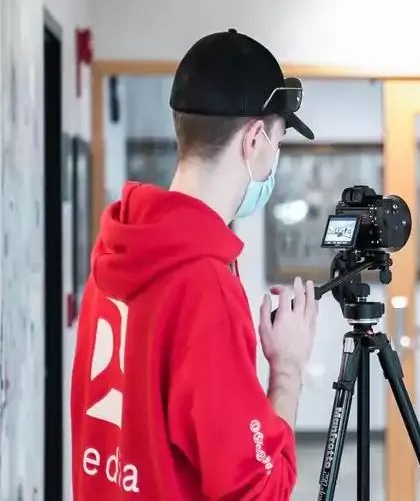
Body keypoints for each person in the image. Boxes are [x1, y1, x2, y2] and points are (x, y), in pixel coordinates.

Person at [70, 29, 319, 500]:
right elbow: (260, 490)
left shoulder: (116, 250)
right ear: (253, 140)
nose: (274, 160)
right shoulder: (204, 286)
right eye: (277, 143)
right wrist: (287, 367)